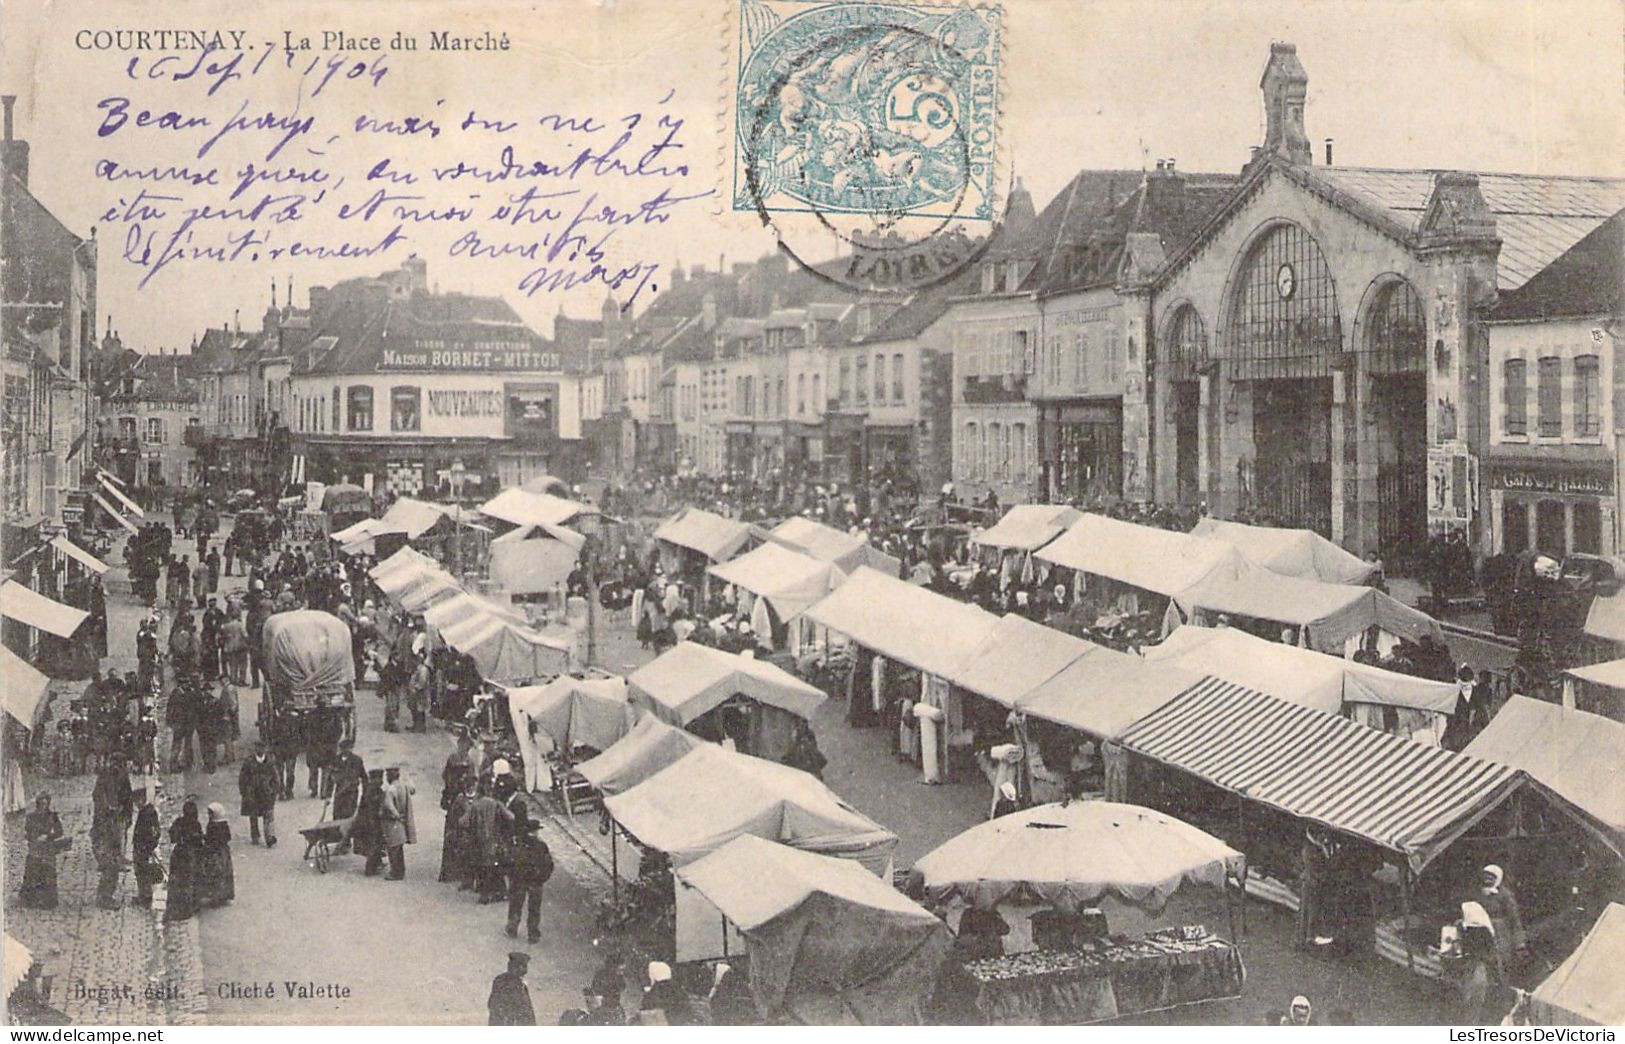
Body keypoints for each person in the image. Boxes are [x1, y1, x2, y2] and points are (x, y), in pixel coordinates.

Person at [91, 761, 133, 908]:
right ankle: (105, 897)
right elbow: (100, 803)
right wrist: (111, 809)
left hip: (111, 830)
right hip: (105, 832)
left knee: (112, 864)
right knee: (110, 865)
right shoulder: (104, 782)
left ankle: (106, 896)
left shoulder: (119, 778)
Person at [505, 816, 553, 943]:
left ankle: (512, 927)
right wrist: (542, 878)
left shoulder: (518, 844)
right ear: (536, 831)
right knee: (534, 908)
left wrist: (513, 877)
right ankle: (533, 933)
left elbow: (510, 861)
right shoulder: (541, 846)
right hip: (535, 882)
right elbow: (548, 865)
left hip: (519, 881)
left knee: (516, 905)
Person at [1476, 864, 1528, 972]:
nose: (1487, 879)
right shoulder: (1479, 894)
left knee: (1502, 959)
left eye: (1491, 877)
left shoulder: (1505, 895)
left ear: (1498, 878)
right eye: (1485, 876)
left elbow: (1514, 918)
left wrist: (1519, 942)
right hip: (1483, 929)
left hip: (1500, 931)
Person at [20, 794, 65, 909]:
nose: (43, 806)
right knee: (33, 872)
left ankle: (47, 900)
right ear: (37, 804)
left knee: (48, 872)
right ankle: (31, 899)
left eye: (45, 804)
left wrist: (49, 836)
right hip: (35, 848)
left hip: (48, 848)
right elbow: (27, 833)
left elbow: (59, 832)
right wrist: (35, 838)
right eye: (41, 804)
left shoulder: (53, 816)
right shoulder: (31, 817)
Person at [165, 800, 205, 922]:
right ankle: (190, 907)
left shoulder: (179, 822)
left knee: (177, 882)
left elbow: (172, 836)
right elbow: (199, 842)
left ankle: (175, 908)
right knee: (190, 881)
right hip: (191, 856)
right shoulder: (196, 824)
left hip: (179, 855)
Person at [238, 741, 280, 847]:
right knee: (253, 815)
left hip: (266, 793)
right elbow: (242, 778)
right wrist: (244, 792)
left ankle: (269, 837)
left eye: (262, 747)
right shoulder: (248, 762)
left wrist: (274, 791)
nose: (260, 750)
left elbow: (276, 777)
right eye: (257, 747)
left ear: (265, 748)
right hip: (253, 793)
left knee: (268, 816)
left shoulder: (270, 761)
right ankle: (255, 836)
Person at [379, 766, 416, 880]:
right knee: (399, 847)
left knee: (393, 847)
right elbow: (413, 789)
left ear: (390, 776)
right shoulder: (403, 786)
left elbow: (388, 805)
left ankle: (395, 873)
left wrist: (396, 815)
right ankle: (401, 871)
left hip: (393, 822)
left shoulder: (391, 789)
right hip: (402, 822)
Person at [442, 776, 479, 886]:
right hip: (464, 831)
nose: (471, 788)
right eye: (470, 786)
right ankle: (466, 881)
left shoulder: (478, 797)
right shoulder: (460, 798)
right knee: (465, 856)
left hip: (475, 830)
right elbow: (454, 813)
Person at [488, 952, 537, 1026]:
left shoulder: (521, 984)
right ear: (515, 967)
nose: (526, 970)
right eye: (524, 966)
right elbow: (495, 1005)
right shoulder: (504, 981)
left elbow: (527, 1010)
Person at [200, 803, 235, 907]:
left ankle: (215, 897)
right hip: (223, 852)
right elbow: (228, 837)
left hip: (214, 853)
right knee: (223, 873)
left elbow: (211, 839)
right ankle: (223, 895)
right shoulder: (223, 825)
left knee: (214, 874)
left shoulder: (212, 826)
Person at [132, 793, 162, 907]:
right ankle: (144, 895)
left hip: (142, 848)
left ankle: (145, 897)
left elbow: (154, 832)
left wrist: (149, 846)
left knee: (142, 872)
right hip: (142, 846)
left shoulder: (147, 813)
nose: (136, 805)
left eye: (137, 802)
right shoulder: (148, 811)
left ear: (141, 799)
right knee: (141, 871)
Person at [356, 769, 388, 876]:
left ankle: (377, 863)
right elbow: (370, 807)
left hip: (370, 821)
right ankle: (369, 869)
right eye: (379, 778)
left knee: (376, 843)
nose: (381, 781)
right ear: (373, 779)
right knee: (374, 844)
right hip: (371, 822)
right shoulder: (372, 791)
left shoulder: (372, 789)